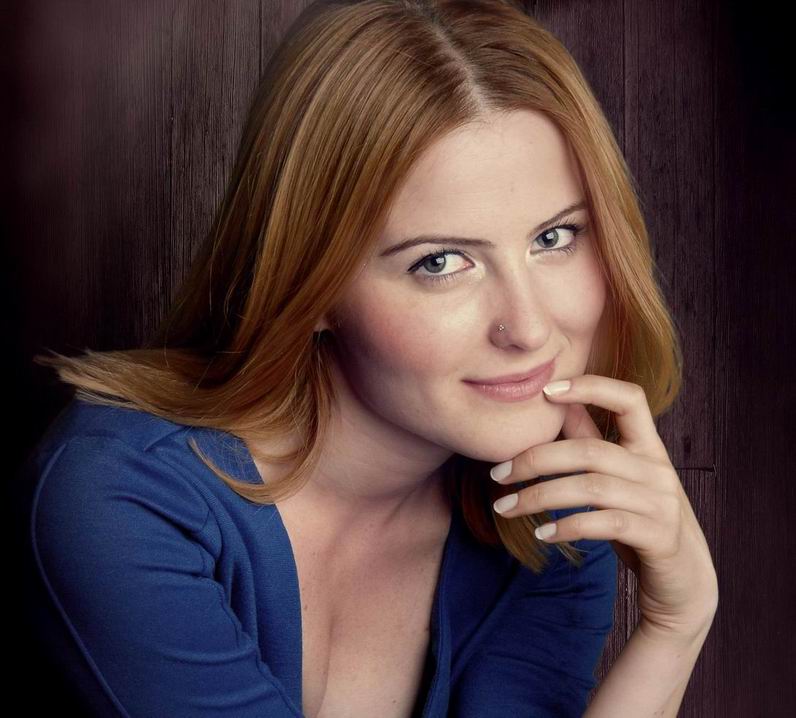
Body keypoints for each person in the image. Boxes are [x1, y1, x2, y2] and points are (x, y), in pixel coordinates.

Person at [11, 1, 717, 716]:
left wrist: (675, 627)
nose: (529, 329)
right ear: (311, 284)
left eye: (554, 238)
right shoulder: (121, 499)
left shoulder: (547, 522)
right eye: (440, 262)